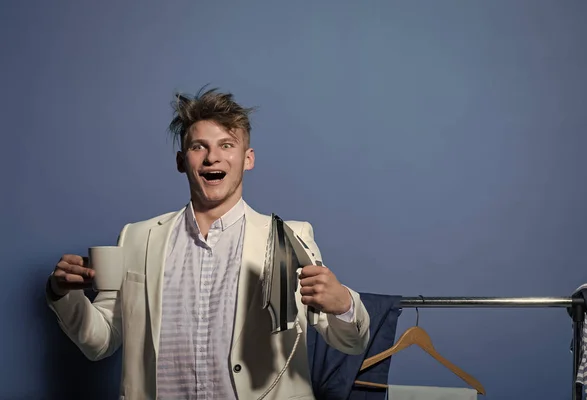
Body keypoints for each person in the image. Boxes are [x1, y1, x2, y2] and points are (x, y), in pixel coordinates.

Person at [45, 86, 370, 400]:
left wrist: (342, 303)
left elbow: (351, 343)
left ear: (248, 159)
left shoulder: (290, 237)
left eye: (227, 145)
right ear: (181, 161)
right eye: (198, 146)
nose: (212, 157)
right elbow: (99, 343)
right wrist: (64, 294)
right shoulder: (136, 238)